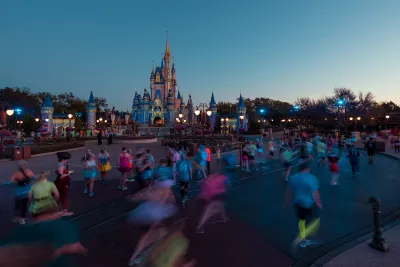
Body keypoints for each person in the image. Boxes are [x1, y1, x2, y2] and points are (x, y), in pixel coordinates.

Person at [1, 171, 87, 267]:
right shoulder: (65, 227)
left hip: (37, 206)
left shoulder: (18, 232)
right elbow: (57, 195)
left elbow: (29, 197)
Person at [285, 161, 322, 248]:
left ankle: (303, 239)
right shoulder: (312, 178)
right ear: (307, 169)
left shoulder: (294, 177)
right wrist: (318, 202)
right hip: (309, 203)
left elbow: (289, 190)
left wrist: (287, 201)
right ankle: (305, 236)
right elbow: (316, 192)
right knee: (315, 219)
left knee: (302, 220)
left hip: (298, 203)